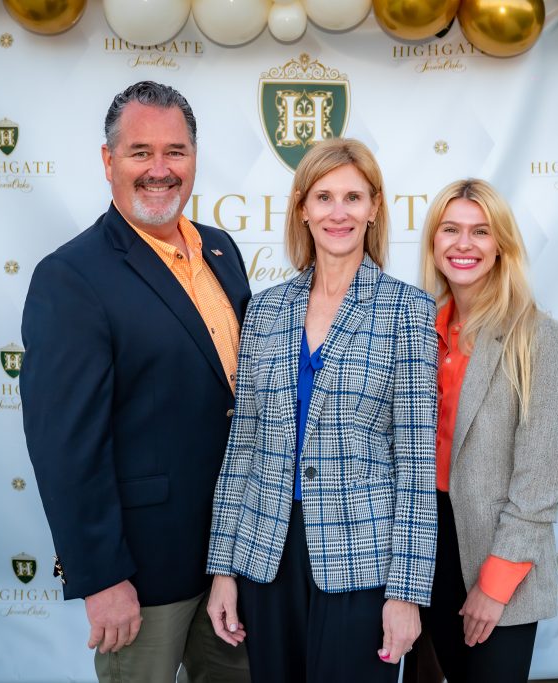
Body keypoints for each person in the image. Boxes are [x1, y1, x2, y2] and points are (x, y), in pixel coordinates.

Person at [20, 81, 251, 683]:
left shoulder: (221, 251)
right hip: (142, 576)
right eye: (139, 152)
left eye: (174, 151)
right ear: (108, 161)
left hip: (236, 561)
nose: (159, 169)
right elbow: (65, 445)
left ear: (194, 159)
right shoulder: (72, 276)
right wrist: (98, 575)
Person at [204, 138, 438, 683]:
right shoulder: (264, 310)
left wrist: (406, 592)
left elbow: (416, 463)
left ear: (375, 208)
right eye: (325, 197)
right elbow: (243, 448)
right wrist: (223, 568)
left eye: (354, 197)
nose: (339, 212)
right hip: (267, 558)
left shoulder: (407, 310)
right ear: (302, 207)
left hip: (361, 563)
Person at [417, 178, 558, 682]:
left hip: (499, 555)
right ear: (433, 242)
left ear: (501, 244)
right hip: (428, 547)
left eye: (480, 231)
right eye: (451, 230)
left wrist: (495, 583)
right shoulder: (419, 330)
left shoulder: (538, 338)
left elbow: (540, 480)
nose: (464, 244)